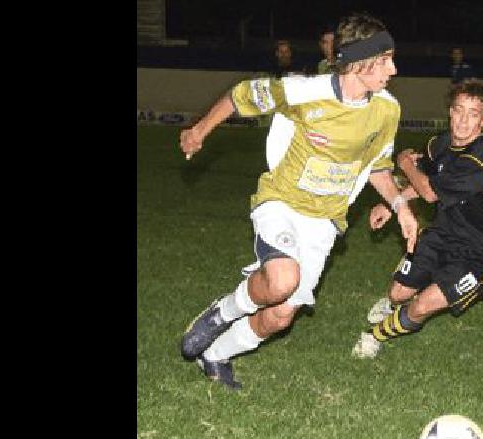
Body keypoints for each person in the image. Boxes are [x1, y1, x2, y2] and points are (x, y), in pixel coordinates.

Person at [177, 13, 418, 389]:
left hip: (325, 222)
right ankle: (221, 313)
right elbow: (241, 97)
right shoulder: (305, 92)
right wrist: (199, 131)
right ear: (359, 62)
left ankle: (216, 354)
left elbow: (378, 166)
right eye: (385, 59)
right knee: (281, 280)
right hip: (283, 201)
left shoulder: (387, 109)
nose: (394, 68)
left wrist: (400, 206)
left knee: (281, 315)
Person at [352, 81, 483, 359]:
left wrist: (405, 163)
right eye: (459, 111)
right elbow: (429, 181)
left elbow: (429, 192)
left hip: (480, 254)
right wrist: (392, 204)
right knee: (398, 293)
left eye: (473, 114)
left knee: (421, 306)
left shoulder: (482, 159)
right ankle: (392, 306)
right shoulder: (440, 144)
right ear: (450, 112)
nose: (464, 121)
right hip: (442, 235)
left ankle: (374, 336)